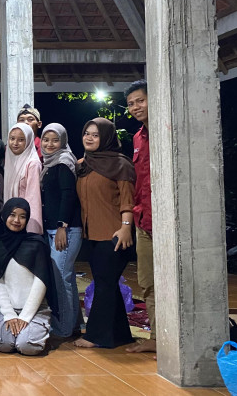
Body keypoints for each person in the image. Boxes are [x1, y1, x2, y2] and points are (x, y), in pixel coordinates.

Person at [74, 117, 136, 349]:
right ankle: (120, 335)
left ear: (107, 138)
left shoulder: (120, 163)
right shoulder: (83, 164)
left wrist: (126, 227)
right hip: (91, 235)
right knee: (106, 283)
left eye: (95, 135)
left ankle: (95, 336)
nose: (89, 138)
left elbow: (128, 199)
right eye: (86, 133)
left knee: (104, 284)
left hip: (115, 233)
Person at [0, 198, 59, 356]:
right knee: (3, 345)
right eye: (12, 215)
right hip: (6, 309)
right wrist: (9, 314)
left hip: (36, 309)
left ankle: (34, 330)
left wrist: (25, 317)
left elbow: (40, 282)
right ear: (4, 215)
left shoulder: (36, 244)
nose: (16, 220)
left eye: (22, 216)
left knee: (27, 346)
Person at [40, 123, 83, 338]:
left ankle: (63, 329)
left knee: (61, 278)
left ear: (63, 141)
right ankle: (73, 324)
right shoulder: (49, 163)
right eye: (46, 140)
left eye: (55, 140)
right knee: (67, 277)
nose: (49, 144)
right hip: (53, 228)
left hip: (66, 229)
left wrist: (62, 226)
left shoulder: (64, 162)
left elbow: (68, 196)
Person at [123, 80, 156, 354]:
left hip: (168, 221)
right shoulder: (137, 138)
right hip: (143, 220)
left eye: (140, 101)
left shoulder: (167, 129)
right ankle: (156, 336)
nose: (135, 107)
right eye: (131, 103)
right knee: (147, 282)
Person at [4, 123, 43, 234]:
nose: (15, 143)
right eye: (12, 138)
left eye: (21, 140)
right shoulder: (10, 159)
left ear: (29, 141)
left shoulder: (33, 164)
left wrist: (32, 231)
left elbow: (33, 199)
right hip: (11, 222)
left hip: (24, 223)